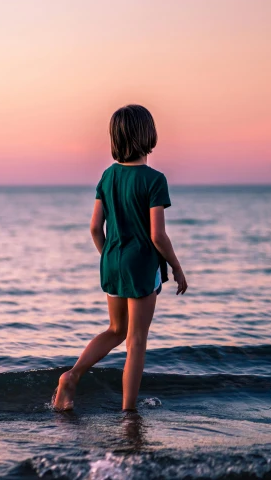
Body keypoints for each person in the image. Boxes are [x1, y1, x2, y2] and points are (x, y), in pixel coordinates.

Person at [53, 104, 188, 411]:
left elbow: (94, 228)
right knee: (136, 341)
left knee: (116, 330)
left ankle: (72, 376)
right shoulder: (154, 180)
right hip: (140, 265)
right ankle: (129, 412)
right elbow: (157, 236)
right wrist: (177, 268)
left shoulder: (107, 177)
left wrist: (109, 258)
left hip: (112, 261)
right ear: (148, 135)